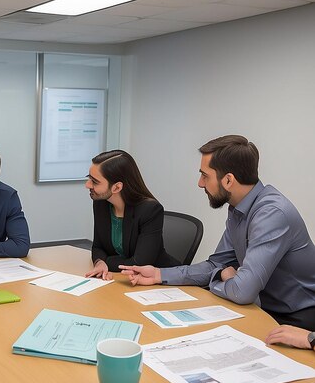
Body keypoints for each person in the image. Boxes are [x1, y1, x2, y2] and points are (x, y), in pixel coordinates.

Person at [121, 135, 315, 331]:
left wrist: (223, 276)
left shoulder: (271, 214)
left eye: (205, 175)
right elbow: (218, 263)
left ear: (228, 180)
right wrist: (158, 274)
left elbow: (242, 291)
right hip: (259, 309)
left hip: (297, 320)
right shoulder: (238, 209)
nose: (200, 183)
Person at [84, 150, 180, 280]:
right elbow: (97, 247)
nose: (87, 185)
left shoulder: (150, 210)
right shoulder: (101, 203)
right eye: (89, 178)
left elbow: (139, 262)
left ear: (117, 187)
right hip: (123, 279)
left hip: (158, 282)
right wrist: (100, 263)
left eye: (95, 182)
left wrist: (107, 262)